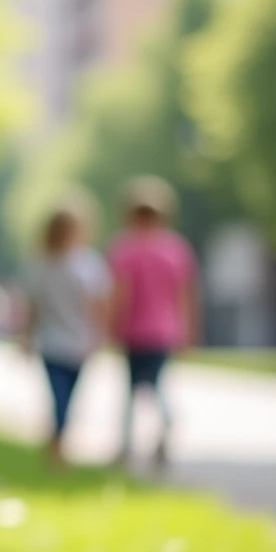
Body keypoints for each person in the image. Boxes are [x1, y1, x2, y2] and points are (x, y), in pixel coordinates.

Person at [108, 177, 198, 467]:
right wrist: (187, 331)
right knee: (155, 383)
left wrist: (111, 327)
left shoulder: (124, 249)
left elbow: (119, 294)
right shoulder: (175, 250)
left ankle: (126, 446)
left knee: (132, 388)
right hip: (164, 330)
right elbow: (185, 295)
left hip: (134, 330)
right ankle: (164, 422)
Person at [21, 206, 111, 469]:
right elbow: (33, 307)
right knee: (60, 398)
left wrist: (100, 334)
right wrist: (26, 336)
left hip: (75, 343)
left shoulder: (86, 264)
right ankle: (57, 447)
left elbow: (98, 304)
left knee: (67, 399)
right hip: (56, 343)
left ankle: (57, 443)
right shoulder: (44, 265)